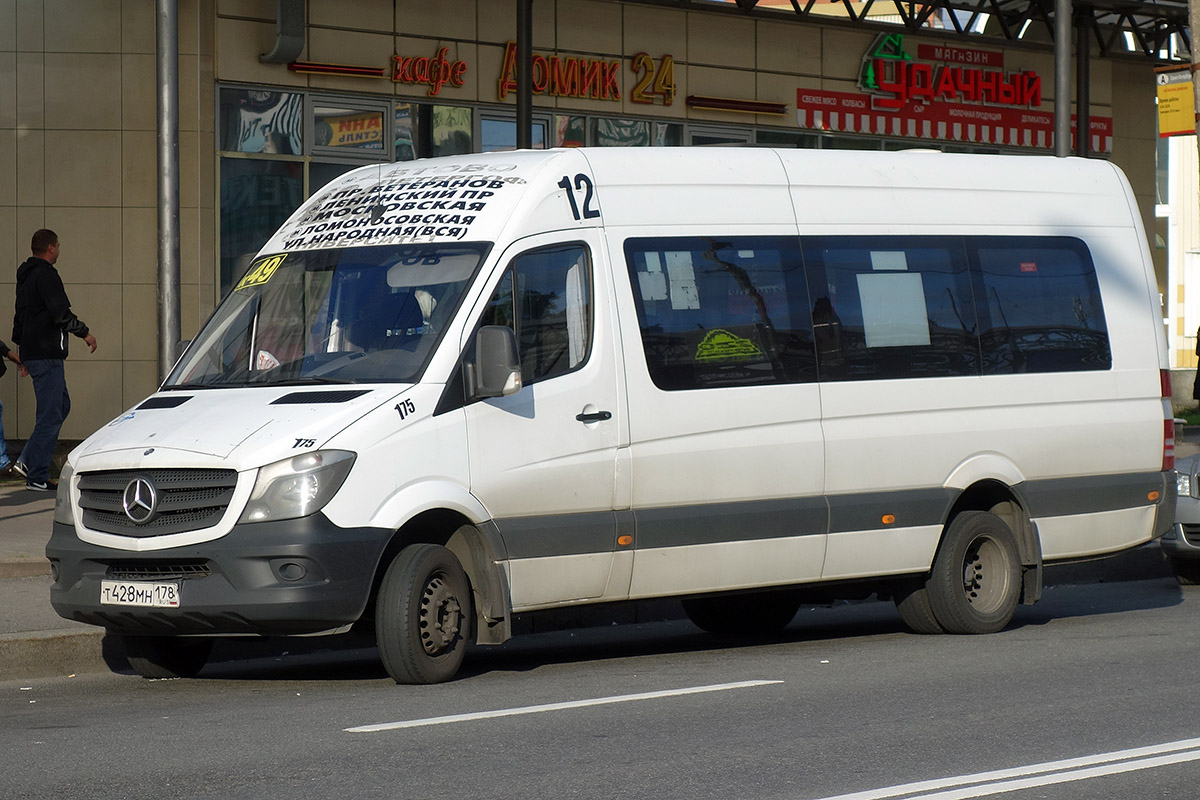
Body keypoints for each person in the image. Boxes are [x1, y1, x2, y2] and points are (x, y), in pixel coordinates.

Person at [12, 229, 97, 491]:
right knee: (51, 414)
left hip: (36, 353)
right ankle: (34, 472)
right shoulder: (46, 276)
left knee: (60, 405)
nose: (59, 250)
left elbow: (20, 316)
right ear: (50, 248)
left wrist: (23, 354)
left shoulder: (25, 276)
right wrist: (85, 333)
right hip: (46, 355)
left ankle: (29, 461)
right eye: (58, 245)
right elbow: (60, 312)